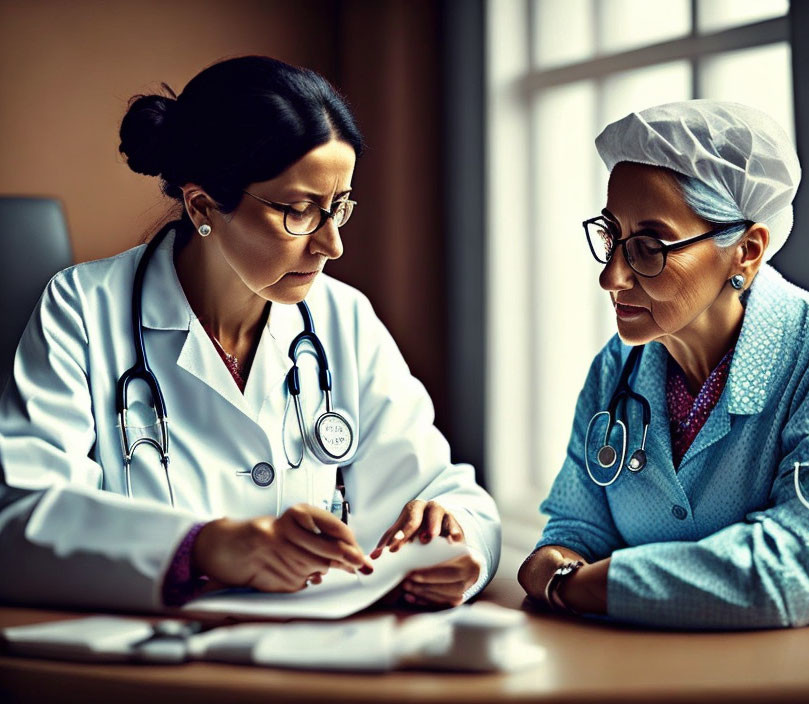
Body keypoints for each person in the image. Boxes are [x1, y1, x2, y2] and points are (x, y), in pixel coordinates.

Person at [0, 56, 499, 612]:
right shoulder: (83, 309)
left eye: (339, 207)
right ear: (203, 204)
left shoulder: (344, 318)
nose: (332, 244)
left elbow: (452, 496)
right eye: (300, 210)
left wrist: (457, 543)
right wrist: (203, 547)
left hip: (316, 662)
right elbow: (19, 518)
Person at [518, 100, 809, 628]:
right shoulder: (617, 369)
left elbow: (796, 575)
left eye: (649, 246)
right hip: (678, 663)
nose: (612, 277)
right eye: (611, 237)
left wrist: (575, 584)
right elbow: (575, 530)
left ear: (746, 251)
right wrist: (559, 562)